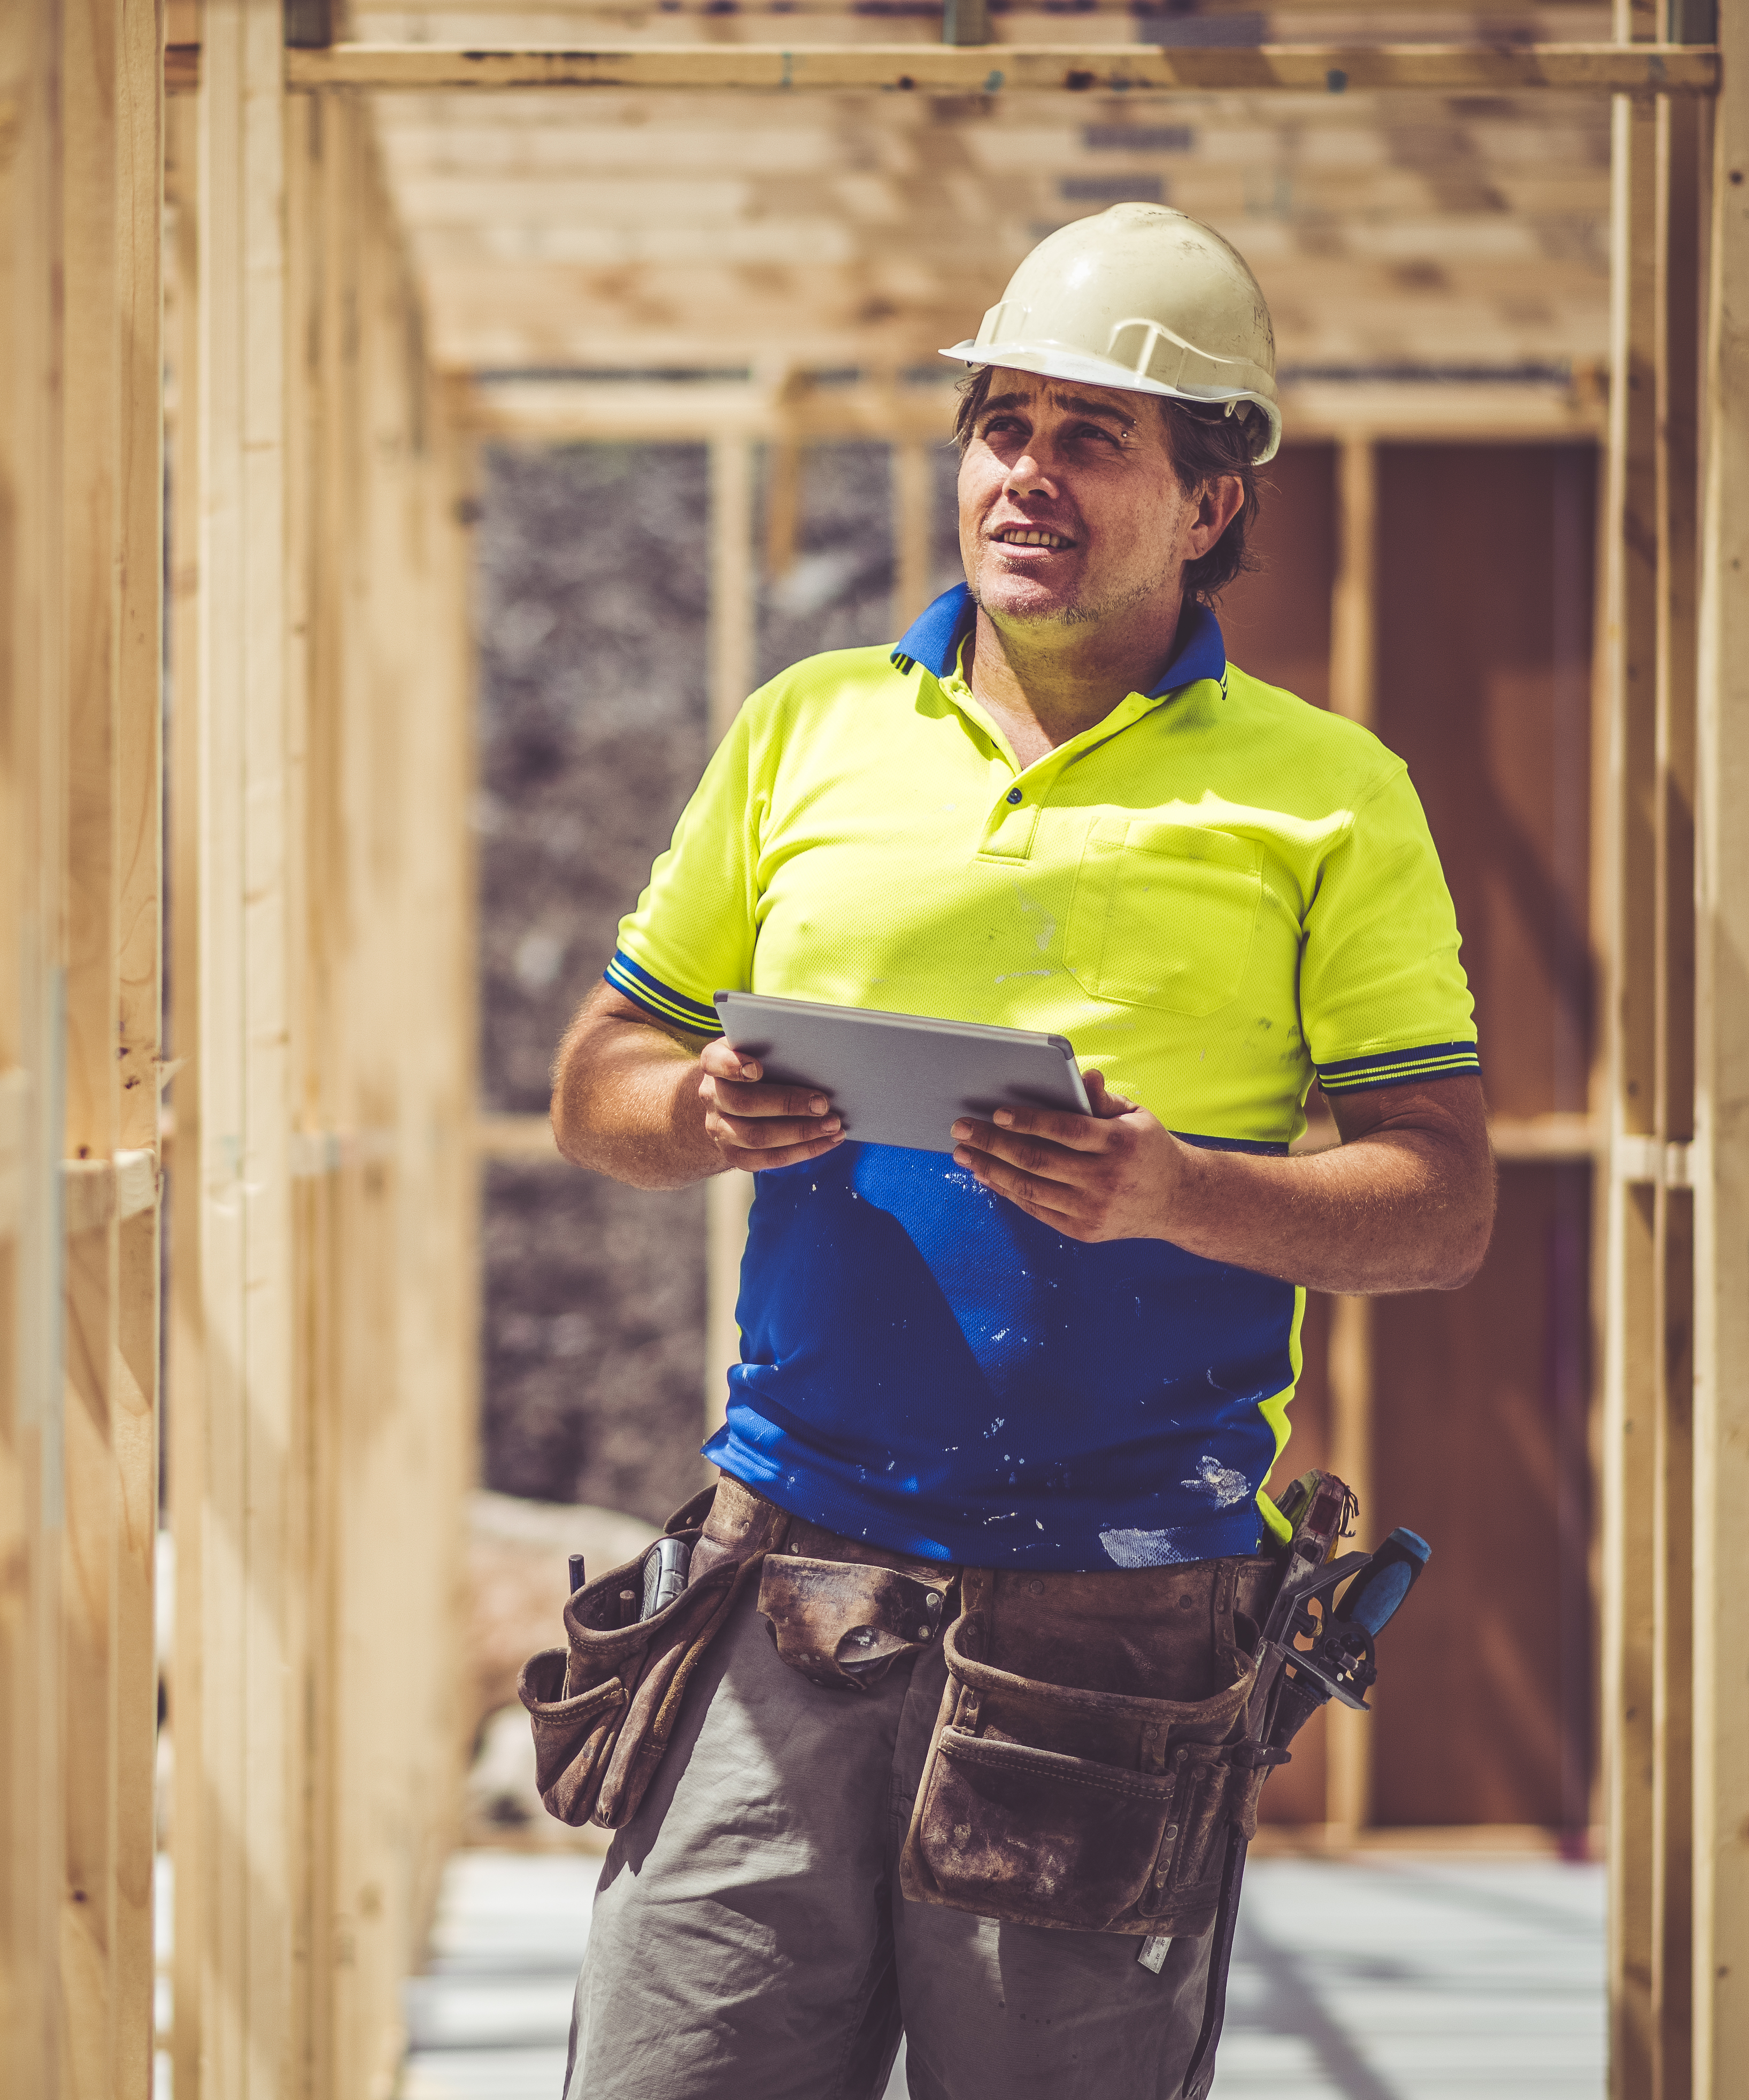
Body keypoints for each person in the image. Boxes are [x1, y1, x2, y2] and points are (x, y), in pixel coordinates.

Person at [545, 203, 1494, 2099]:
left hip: (1119, 1626)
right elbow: (598, 1082)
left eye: (1092, 437)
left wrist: (1180, 1193)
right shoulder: (807, 729)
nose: (1026, 475)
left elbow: (1442, 1203)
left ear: (1211, 500)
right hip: (781, 1579)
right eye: (1002, 426)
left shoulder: (1328, 796)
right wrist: (700, 1112)